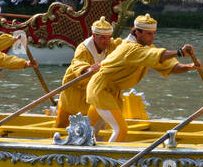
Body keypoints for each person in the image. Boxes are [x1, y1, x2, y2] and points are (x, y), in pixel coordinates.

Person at [84, 14, 195, 143]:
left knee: (91, 126)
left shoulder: (147, 49)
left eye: (154, 33)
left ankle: (87, 147)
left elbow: (170, 67)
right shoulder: (129, 48)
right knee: (121, 129)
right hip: (100, 89)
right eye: (149, 34)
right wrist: (180, 52)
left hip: (111, 92)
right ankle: (112, 158)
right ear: (137, 32)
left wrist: (190, 66)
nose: (152, 37)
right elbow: (156, 55)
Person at [54, 17, 121, 131]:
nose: (106, 41)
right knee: (62, 123)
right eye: (103, 38)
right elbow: (77, 63)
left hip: (94, 93)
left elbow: (124, 46)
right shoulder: (83, 48)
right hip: (74, 91)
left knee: (94, 121)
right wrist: (87, 69)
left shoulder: (111, 45)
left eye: (108, 38)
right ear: (94, 36)